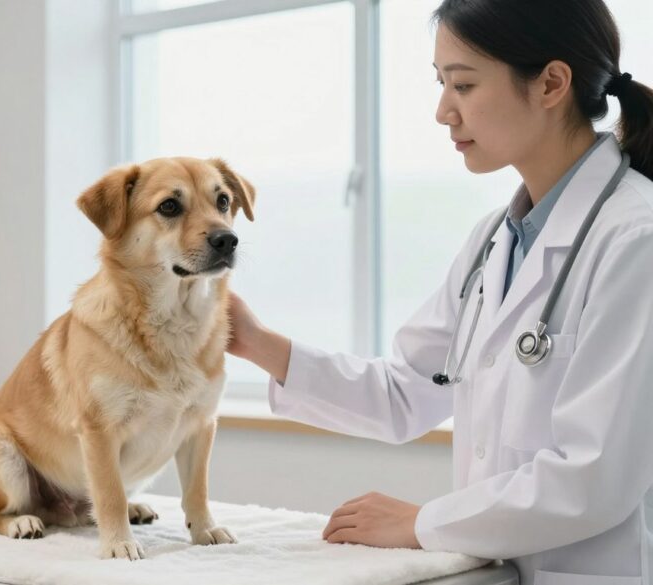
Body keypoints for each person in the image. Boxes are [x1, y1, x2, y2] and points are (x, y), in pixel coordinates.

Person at [226, 1, 653, 583]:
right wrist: (256, 344)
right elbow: (407, 390)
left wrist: (420, 522)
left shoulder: (635, 237)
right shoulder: (493, 243)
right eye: (441, 84)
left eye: (464, 84)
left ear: (552, 83)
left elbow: (594, 475)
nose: (443, 112)